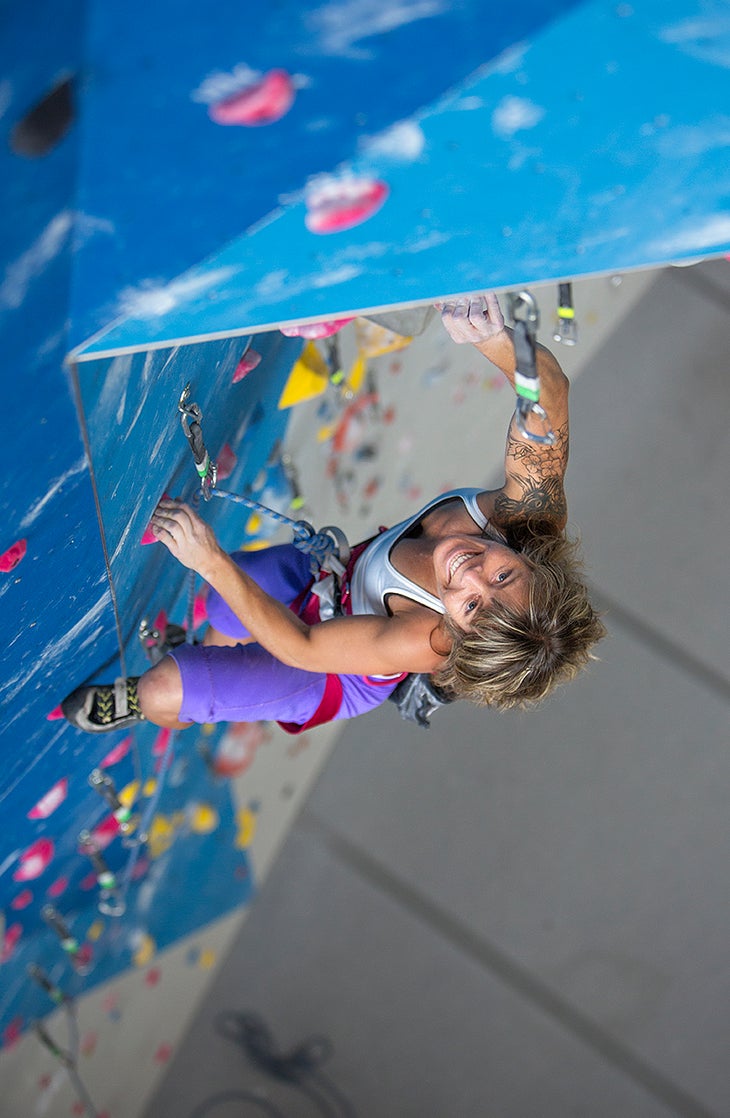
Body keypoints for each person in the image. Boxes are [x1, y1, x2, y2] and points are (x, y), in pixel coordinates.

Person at [62, 292, 605, 736]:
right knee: (220, 614)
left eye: (469, 605)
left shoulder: (425, 637)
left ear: (454, 630)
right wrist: (496, 340)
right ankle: (210, 656)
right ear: (533, 560)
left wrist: (208, 558)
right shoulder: (528, 518)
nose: (471, 571)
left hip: (329, 674)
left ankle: (158, 710)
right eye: (504, 574)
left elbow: (302, 647)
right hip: (334, 578)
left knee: (164, 686)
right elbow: (549, 399)